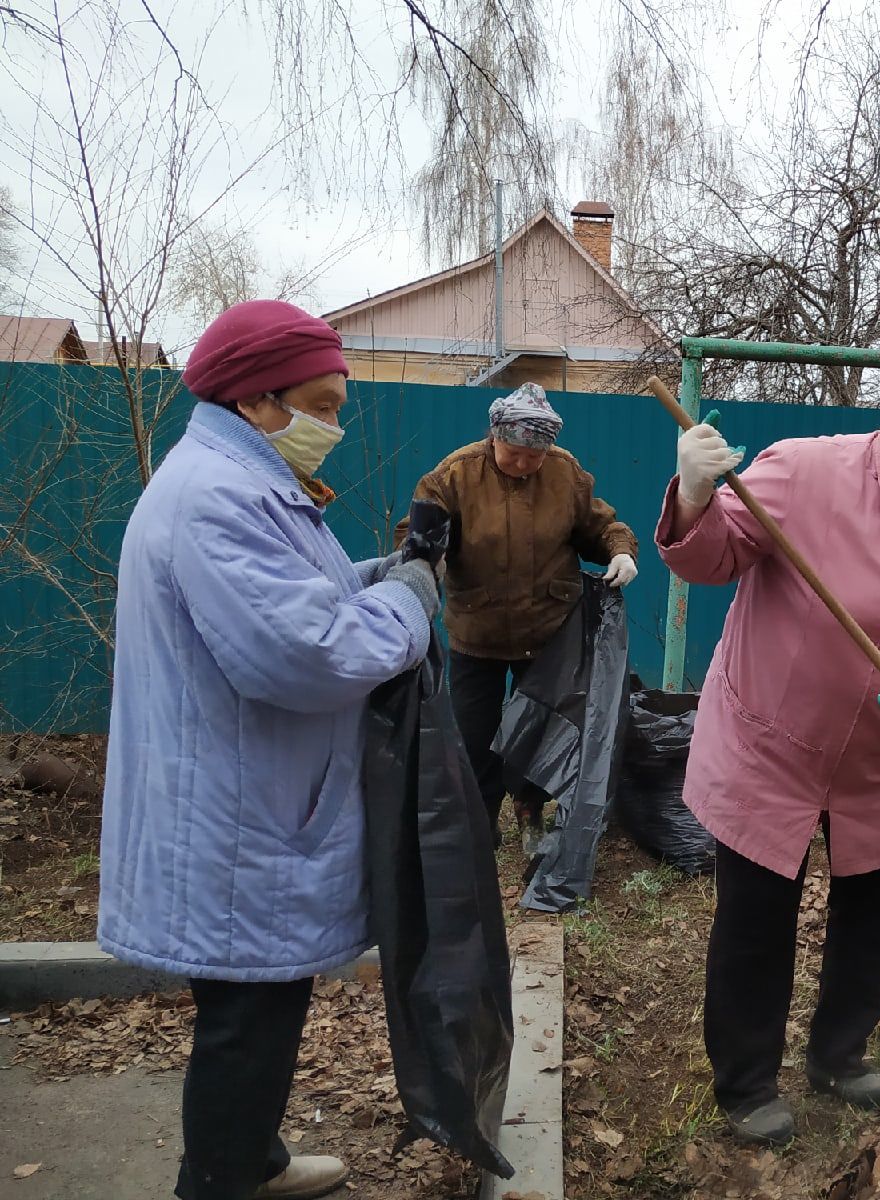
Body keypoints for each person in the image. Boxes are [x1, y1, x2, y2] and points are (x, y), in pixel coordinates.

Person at [98, 300, 441, 1200]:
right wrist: (408, 602)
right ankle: (217, 1182)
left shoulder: (238, 481)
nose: (333, 424)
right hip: (236, 817)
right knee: (248, 1020)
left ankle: (253, 1160)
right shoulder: (220, 497)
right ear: (258, 400)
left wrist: (381, 572)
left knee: (257, 1006)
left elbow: (298, 597)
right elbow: (309, 654)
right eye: (321, 405)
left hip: (241, 801)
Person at [657, 369, 880, 1147]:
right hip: (770, 745)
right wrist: (693, 495)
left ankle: (839, 1056)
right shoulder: (805, 472)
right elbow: (710, 558)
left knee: (872, 920)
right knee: (757, 921)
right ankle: (748, 1081)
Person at [399, 383, 639, 845]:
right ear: (495, 437)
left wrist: (620, 550)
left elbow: (602, 525)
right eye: (515, 453)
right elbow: (414, 530)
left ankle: (531, 811)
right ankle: (479, 822)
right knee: (475, 736)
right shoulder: (456, 474)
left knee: (539, 734)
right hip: (477, 630)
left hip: (547, 631)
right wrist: (425, 559)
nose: (526, 464)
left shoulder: (565, 473)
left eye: (536, 456)